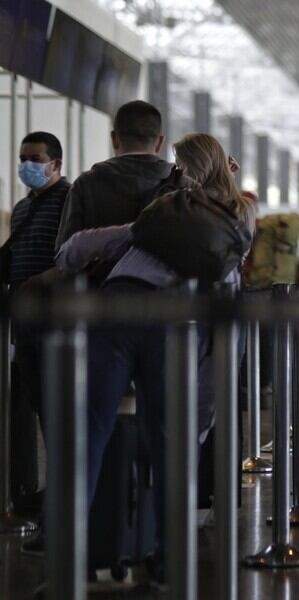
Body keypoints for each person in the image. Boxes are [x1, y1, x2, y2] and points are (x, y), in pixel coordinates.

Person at [54, 132, 255, 581]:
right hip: (175, 329)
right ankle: (168, 563)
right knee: (171, 448)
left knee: (87, 438)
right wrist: (203, 415)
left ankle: (71, 561)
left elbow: (90, 245)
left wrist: (67, 257)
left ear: (184, 167)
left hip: (121, 312)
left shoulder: (165, 211)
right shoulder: (232, 227)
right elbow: (226, 314)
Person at [6, 132, 70, 514]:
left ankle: (61, 494)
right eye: (22, 158)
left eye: (35, 158)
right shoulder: (22, 208)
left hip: (55, 320)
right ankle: (29, 489)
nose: (27, 165)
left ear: (56, 164)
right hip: (24, 322)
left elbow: (73, 257)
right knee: (29, 402)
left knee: (56, 406)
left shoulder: (69, 200)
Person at [55, 100, 172, 250]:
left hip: (99, 274)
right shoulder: (184, 186)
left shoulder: (86, 184)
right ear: (160, 142)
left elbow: (65, 253)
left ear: (114, 139)